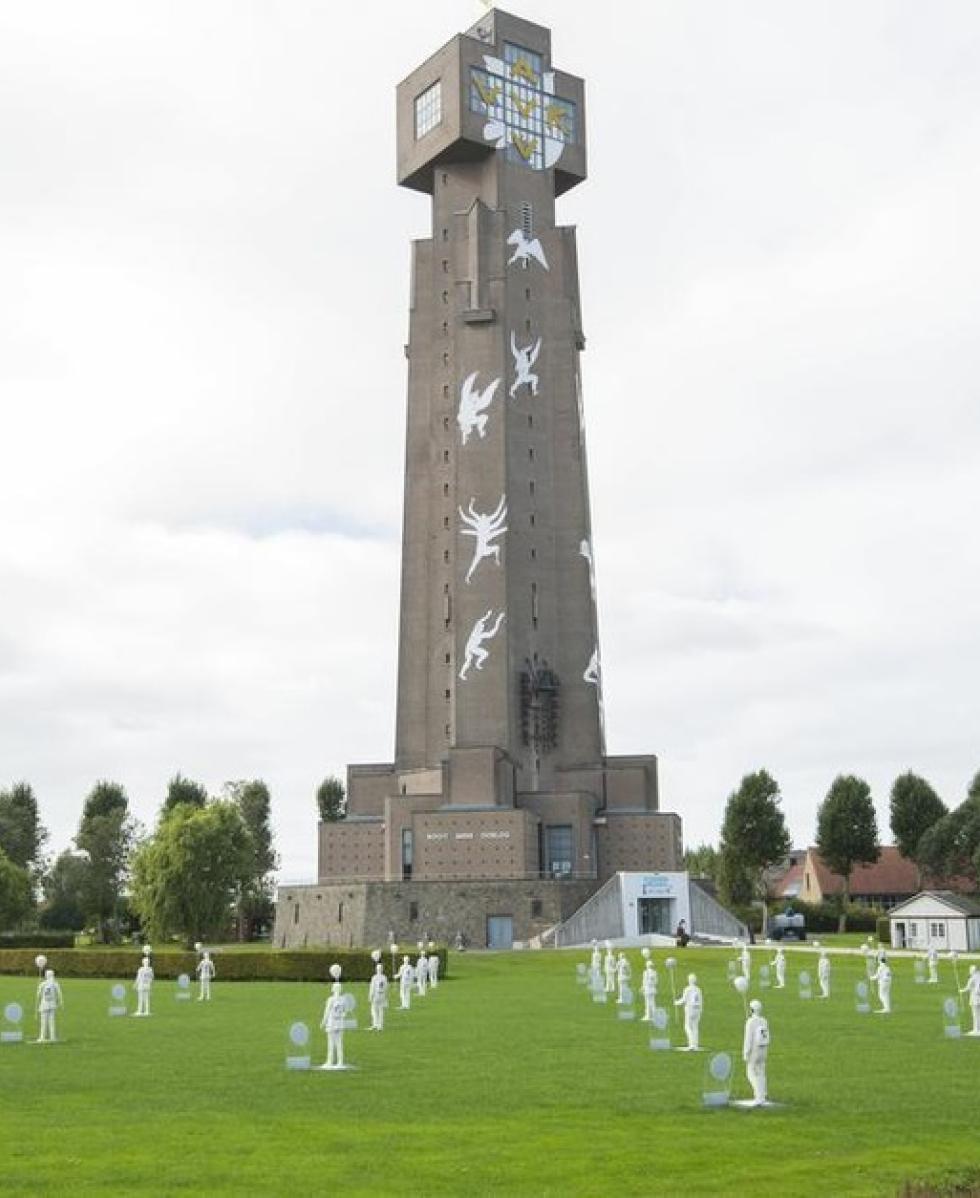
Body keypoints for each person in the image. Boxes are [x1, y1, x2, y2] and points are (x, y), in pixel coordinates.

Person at [742, 999, 770, 1106]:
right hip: (764, 1049)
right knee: (761, 1072)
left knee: (751, 1073)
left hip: (754, 1051)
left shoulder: (750, 1022)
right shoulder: (764, 1021)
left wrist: (745, 1053)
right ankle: (763, 1094)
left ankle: (758, 1095)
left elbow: (748, 1039)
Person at [320, 981, 346, 1068]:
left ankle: (330, 1061)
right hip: (340, 1023)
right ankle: (340, 1062)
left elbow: (326, 1012)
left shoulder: (331, 999)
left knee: (331, 1043)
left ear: (333, 989)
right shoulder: (343, 999)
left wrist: (323, 1022)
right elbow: (344, 1012)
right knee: (339, 1043)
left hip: (332, 1023)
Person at [674, 973, 703, 1051]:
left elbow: (684, 1000)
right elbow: (701, 1000)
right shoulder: (698, 989)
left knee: (687, 1027)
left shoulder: (687, 989)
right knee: (695, 1027)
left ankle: (691, 1044)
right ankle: (695, 1044)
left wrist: (676, 1002)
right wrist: (700, 1010)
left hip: (690, 1009)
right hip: (697, 1009)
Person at [36, 969, 63, 1043]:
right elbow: (59, 994)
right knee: (52, 1021)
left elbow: (38, 995)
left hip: (44, 1005)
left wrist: (38, 988)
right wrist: (61, 1002)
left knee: (43, 1021)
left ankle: (42, 1037)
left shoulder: (43, 983)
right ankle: (52, 1037)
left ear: (46, 975)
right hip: (52, 1005)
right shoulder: (55, 983)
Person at [960, 964, 980, 1036]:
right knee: (978, 1014)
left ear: (972, 971)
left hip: (975, 998)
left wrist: (961, 991)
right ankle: (977, 1029)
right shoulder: (978, 976)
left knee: (975, 1014)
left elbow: (967, 988)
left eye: (970, 970)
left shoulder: (972, 978)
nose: (969, 971)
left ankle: (976, 1029)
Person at [369, 962, 388, 1031]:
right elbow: (386, 987)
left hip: (376, 995)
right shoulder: (384, 977)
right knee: (381, 1010)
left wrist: (370, 996)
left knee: (374, 1010)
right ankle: (380, 1026)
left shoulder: (374, 977)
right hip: (382, 995)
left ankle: (375, 1024)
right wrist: (385, 996)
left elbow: (372, 988)